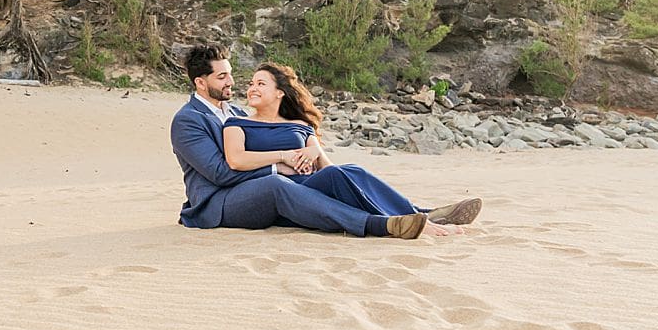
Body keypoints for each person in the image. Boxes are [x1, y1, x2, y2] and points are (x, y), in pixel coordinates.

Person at [169, 44, 484, 239]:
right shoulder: (187, 121)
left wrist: (306, 158)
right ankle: (380, 225)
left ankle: (418, 212)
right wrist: (281, 165)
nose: (231, 82)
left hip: (263, 191)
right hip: (219, 205)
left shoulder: (237, 112)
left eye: (230, 74)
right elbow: (222, 173)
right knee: (276, 185)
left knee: (338, 172)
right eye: (221, 77)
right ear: (200, 82)